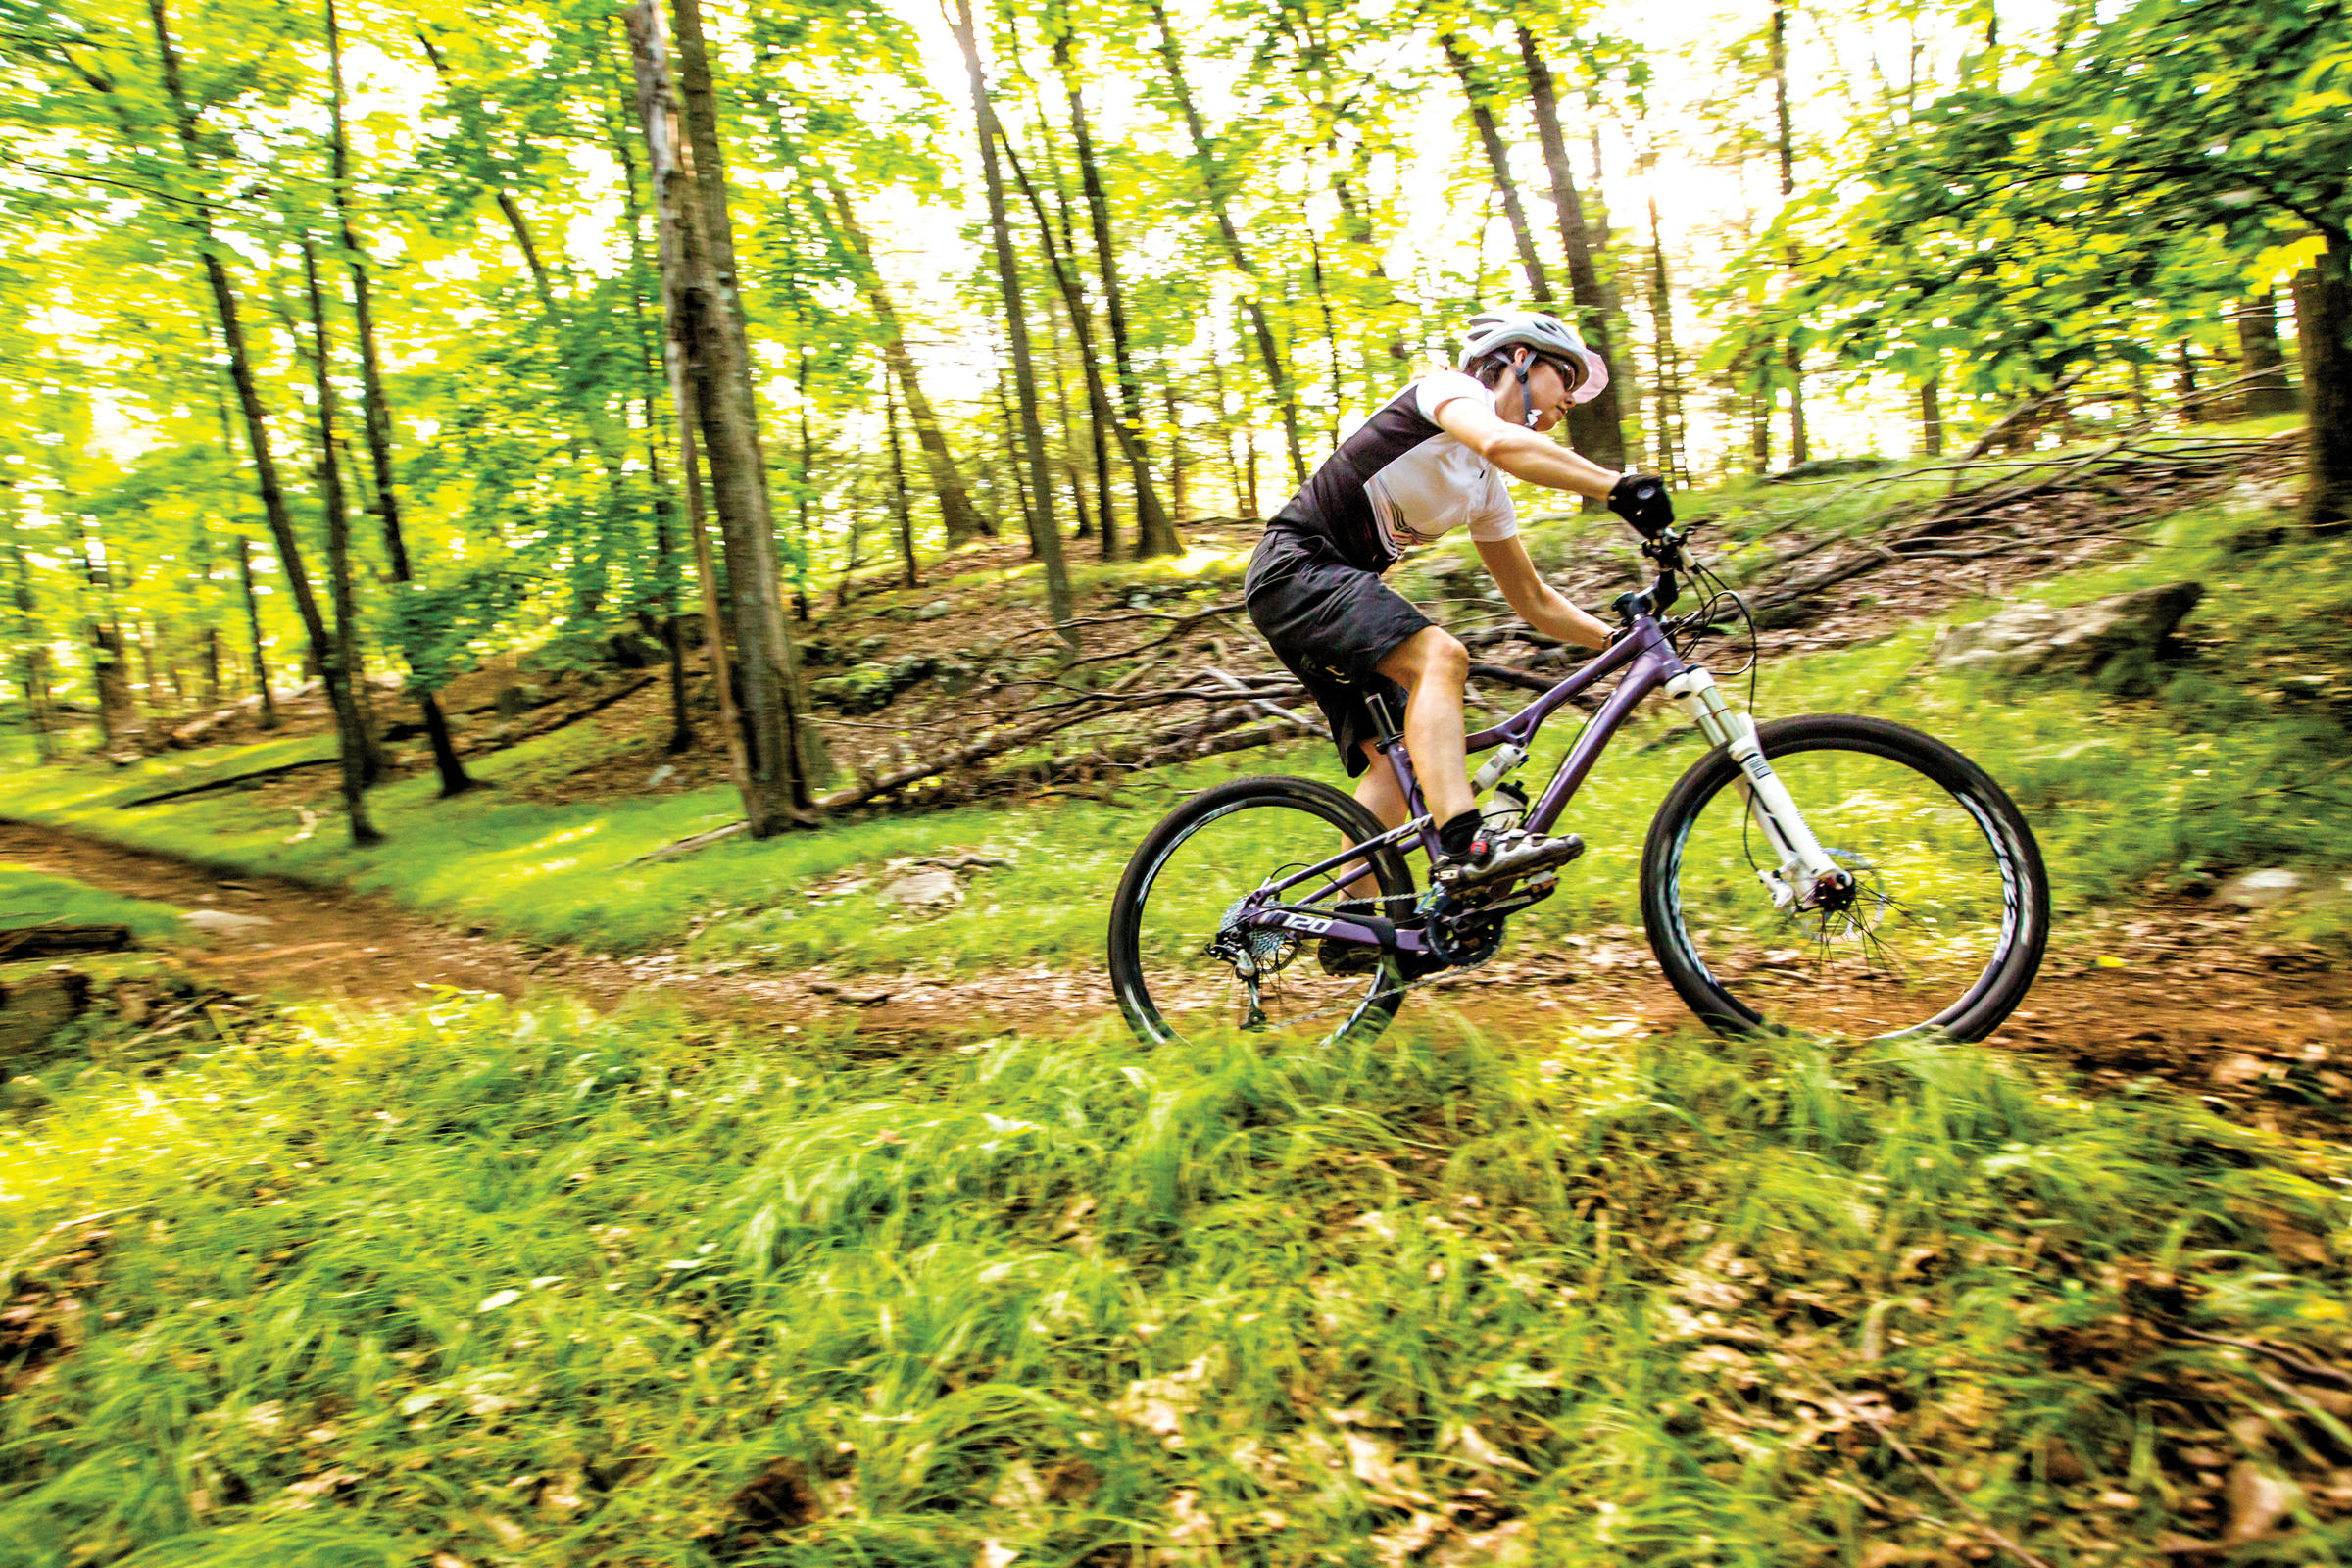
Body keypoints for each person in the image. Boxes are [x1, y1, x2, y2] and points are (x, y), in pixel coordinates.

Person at [1243, 309, 1674, 898]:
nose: (1570, 400)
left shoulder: (1484, 485)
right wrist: (1618, 486)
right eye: (1564, 378)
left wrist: (1620, 643)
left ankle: (1350, 924)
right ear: (1520, 359)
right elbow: (1501, 441)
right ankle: (1465, 847)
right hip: (1295, 567)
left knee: (1398, 762)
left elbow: (1532, 599)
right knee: (1440, 657)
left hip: (1321, 583)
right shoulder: (1447, 391)